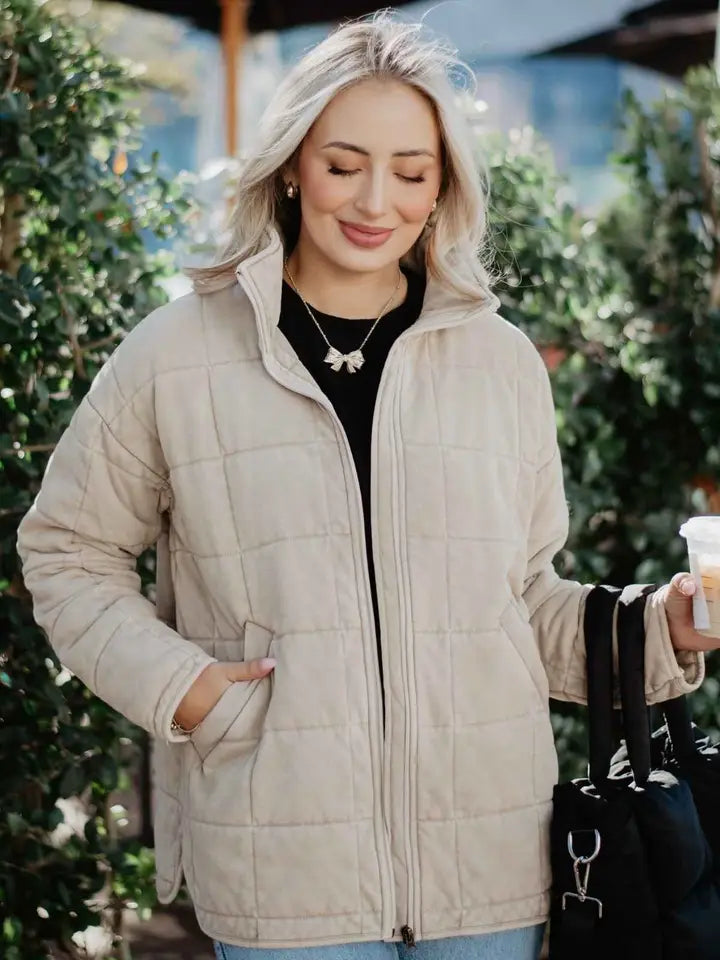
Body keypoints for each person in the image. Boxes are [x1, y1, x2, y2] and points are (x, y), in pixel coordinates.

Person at [16, 12, 716, 960]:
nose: (374, 200)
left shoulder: (501, 363)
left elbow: (520, 605)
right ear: (293, 162)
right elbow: (66, 551)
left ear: (443, 188)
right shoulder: (177, 355)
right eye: (344, 164)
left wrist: (662, 624)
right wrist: (189, 694)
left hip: (490, 869)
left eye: (411, 171)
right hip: (283, 872)